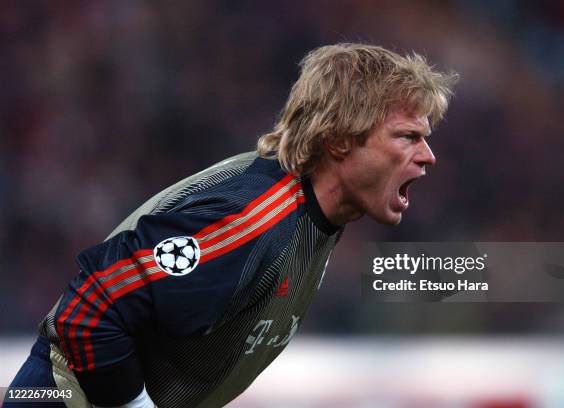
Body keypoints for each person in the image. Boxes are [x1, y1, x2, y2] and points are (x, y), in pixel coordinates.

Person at [5, 43, 457, 407]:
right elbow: (92, 309)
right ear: (338, 140)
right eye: (407, 137)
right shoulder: (254, 218)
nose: (427, 155)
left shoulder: (314, 216)